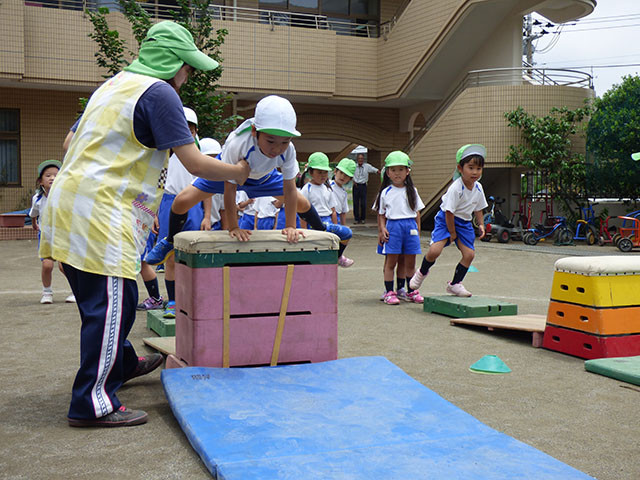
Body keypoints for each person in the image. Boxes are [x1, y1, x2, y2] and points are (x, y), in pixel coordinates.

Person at [38, 21, 250, 428]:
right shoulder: (160, 92)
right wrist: (238, 172)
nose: (187, 76)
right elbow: (194, 162)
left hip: (69, 205)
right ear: (173, 64)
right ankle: (92, 403)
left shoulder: (112, 86)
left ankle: (122, 363)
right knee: (108, 308)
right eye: (187, 68)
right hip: (100, 212)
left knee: (113, 302)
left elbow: (69, 144)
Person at [145, 94, 343, 265]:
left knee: (302, 202)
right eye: (270, 141)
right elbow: (229, 188)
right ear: (255, 131)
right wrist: (233, 227)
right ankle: (169, 241)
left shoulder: (288, 150)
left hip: (263, 178)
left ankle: (324, 231)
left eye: (284, 142)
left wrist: (291, 226)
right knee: (181, 201)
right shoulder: (238, 143)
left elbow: (290, 189)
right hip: (229, 172)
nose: (277, 148)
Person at [410, 144, 487, 297]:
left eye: (478, 168)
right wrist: (452, 233)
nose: (475, 172)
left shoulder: (478, 187)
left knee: (469, 255)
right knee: (434, 251)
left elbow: (479, 208)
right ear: (460, 168)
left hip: (464, 223)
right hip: (446, 221)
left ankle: (455, 284)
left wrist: (481, 224)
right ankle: (421, 272)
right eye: (470, 168)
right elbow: (449, 213)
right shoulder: (456, 188)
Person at [374, 152, 425, 305]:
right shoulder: (385, 192)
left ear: (407, 171)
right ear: (387, 172)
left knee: (410, 262)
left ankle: (410, 290)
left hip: (410, 228)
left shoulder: (412, 190)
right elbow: (381, 214)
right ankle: (389, 292)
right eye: (393, 170)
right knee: (391, 261)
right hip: (393, 227)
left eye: (401, 169)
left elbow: (417, 212)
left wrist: (418, 231)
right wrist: (382, 229)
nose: (397, 173)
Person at [29, 160, 75, 304]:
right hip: (46, 237)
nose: (52, 178)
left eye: (56, 175)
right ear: (40, 181)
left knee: (64, 266)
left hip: (62, 236)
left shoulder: (65, 196)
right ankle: (47, 292)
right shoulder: (37, 199)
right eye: (48, 175)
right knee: (47, 265)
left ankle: (76, 291)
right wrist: (34, 224)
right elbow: (34, 214)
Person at [298, 152, 354, 267]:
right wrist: (304, 230)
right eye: (319, 172)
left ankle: (338, 256)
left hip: (327, 223)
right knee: (317, 251)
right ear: (310, 172)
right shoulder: (306, 189)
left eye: (325, 172)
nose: (323, 175)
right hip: (313, 223)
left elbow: (333, 211)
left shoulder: (328, 189)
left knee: (347, 233)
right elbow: (302, 213)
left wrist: (336, 227)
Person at [352, 152, 379, 224]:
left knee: (363, 203)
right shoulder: (354, 166)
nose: (360, 160)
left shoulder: (367, 166)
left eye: (361, 158)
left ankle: (363, 218)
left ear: (363, 159)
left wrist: (382, 173)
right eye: (359, 158)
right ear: (357, 159)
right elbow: (349, 173)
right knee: (356, 203)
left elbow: (375, 170)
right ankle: (356, 219)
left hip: (363, 186)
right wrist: (352, 180)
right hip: (356, 186)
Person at [330, 158, 356, 225]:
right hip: (327, 216)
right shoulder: (328, 185)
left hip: (337, 218)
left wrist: (343, 226)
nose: (342, 177)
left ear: (350, 179)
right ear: (335, 171)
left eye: (346, 175)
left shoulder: (344, 193)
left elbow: (343, 212)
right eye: (341, 173)